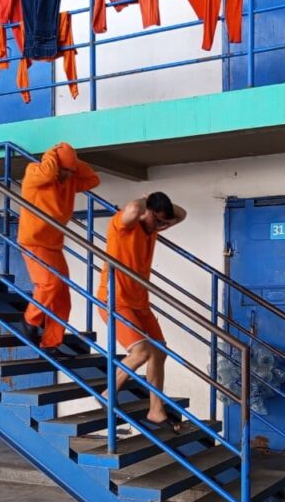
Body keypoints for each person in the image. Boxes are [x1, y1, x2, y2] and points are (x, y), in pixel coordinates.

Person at [97, 192, 187, 432]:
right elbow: (133, 209)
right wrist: (146, 201)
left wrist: (159, 217)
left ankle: (156, 411)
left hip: (139, 302)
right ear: (146, 210)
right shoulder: (123, 226)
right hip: (115, 300)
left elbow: (181, 214)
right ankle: (108, 392)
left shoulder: (151, 229)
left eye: (162, 223)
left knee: (159, 351)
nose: (160, 226)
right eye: (156, 220)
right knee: (141, 352)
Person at [17, 143, 100, 351]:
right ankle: (29, 320)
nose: (67, 175)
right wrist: (53, 156)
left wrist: (73, 163)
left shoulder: (69, 180)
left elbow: (93, 179)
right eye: (64, 170)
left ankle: (51, 342)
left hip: (54, 244)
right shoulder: (34, 173)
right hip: (33, 241)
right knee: (49, 284)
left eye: (70, 171)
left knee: (62, 295)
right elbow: (46, 173)